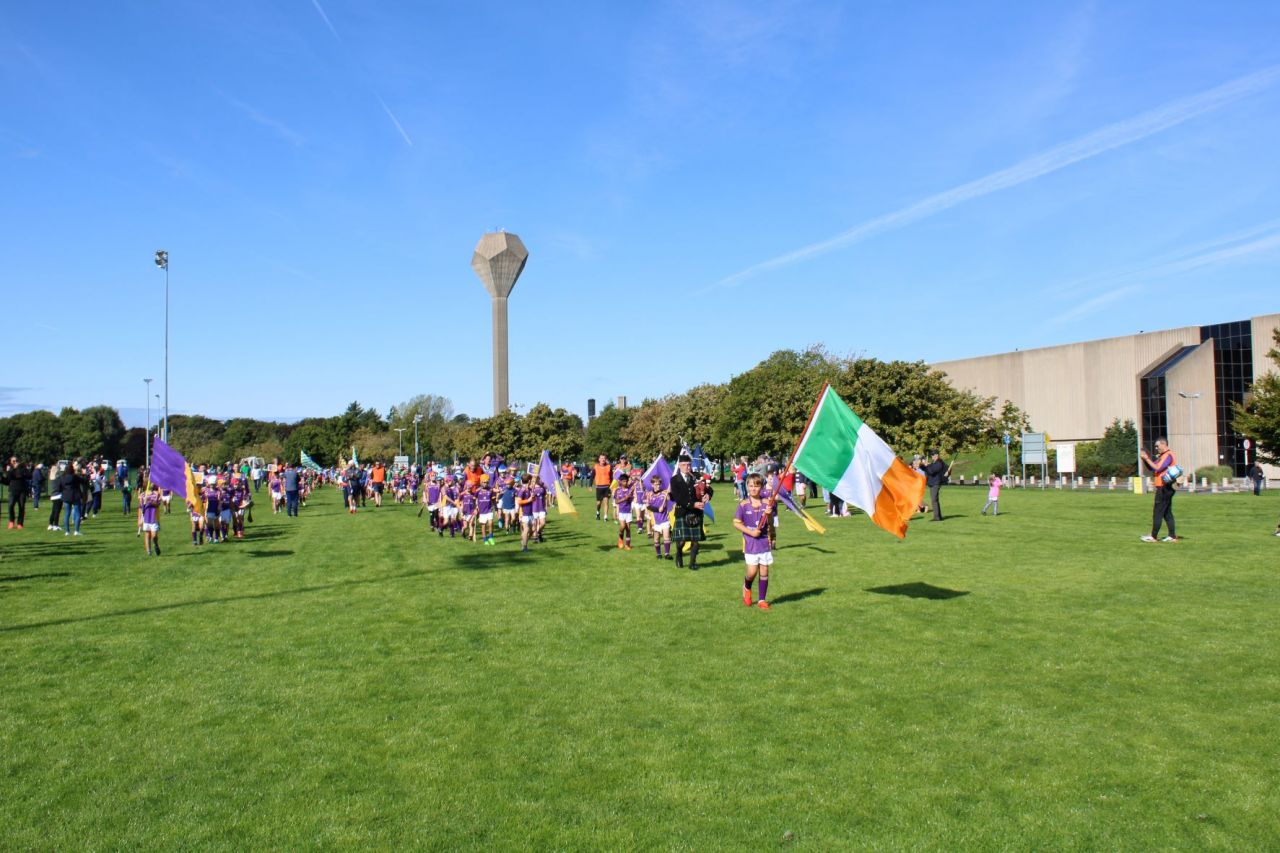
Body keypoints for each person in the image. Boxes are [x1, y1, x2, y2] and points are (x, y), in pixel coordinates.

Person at [734, 473, 774, 610]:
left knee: (764, 571)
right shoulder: (743, 505)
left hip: (764, 541)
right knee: (752, 572)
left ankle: (762, 600)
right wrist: (751, 532)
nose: (753, 489)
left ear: (761, 487)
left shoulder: (767, 503)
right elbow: (736, 523)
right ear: (747, 487)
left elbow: (770, 523)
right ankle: (747, 586)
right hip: (750, 543)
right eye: (750, 486)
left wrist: (768, 515)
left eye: (756, 486)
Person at [670, 454, 707, 570]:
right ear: (679, 466)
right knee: (681, 541)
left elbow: (709, 489)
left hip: (696, 513)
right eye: (684, 465)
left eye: (689, 465)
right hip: (683, 512)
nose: (687, 467)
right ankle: (679, 554)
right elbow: (678, 498)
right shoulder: (675, 479)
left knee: (695, 541)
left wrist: (707, 495)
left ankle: (692, 563)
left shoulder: (697, 477)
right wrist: (693, 504)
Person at [1141, 438, 1179, 542]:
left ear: (1163, 444)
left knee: (1157, 512)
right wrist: (1145, 459)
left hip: (1165, 487)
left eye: (1157, 446)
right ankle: (1172, 536)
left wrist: (1147, 459)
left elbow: (1158, 468)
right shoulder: (1163, 456)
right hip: (1164, 487)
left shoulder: (1168, 455)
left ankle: (1153, 537)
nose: (1156, 448)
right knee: (1167, 512)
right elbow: (1152, 468)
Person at [56, 461, 87, 536]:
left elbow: (59, 488)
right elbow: (84, 481)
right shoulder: (75, 477)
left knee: (67, 514)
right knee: (78, 513)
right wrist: (84, 474)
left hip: (66, 496)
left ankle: (67, 531)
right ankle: (76, 531)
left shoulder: (61, 477)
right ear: (72, 470)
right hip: (75, 496)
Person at [647, 475, 672, 559]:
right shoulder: (649, 494)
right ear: (652, 484)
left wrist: (669, 493)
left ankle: (667, 554)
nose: (657, 486)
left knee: (666, 537)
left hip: (665, 518)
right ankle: (658, 554)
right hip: (655, 520)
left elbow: (671, 499)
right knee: (656, 538)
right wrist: (658, 509)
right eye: (655, 484)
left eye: (659, 484)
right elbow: (648, 506)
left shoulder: (664, 493)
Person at [922, 450, 949, 522]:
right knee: (935, 500)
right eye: (931, 456)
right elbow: (928, 469)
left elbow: (931, 471)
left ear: (937, 455)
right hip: (932, 483)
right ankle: (938, 516)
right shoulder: (935, 463)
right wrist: (924, 466)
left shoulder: (939, 463)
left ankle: (937, 517)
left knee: (934, 500)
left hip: (935, 483)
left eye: (933, 455)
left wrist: (923, 466)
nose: (932, 457)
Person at [4, 456, 30, 530]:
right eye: (13, 461)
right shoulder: (10, 469)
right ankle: (11, 521)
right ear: (11, 462)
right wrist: (7, 472)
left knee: (21, 507)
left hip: (22, 490)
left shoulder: (23, 469)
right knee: (10, 505)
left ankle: (20, 523)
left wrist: (20, 468)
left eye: (16, 460)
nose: (15, 462)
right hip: (13, 490)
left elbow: (29, 476)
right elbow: (7, 481)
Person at [613, 472, 635, 550]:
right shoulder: (617, 490)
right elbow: (616, 502)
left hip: (628, 511)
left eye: (626, 481)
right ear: (620, 481)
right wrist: (624, 499)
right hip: (621, 511)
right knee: (622, 526)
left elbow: (631, 498)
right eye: (624, 481)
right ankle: (620, 538)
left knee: (628, 528)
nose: (625, 483)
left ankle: (627, 545)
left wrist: (630, 496)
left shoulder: (630, 490)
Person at [140, 484, 163, 556]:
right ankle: (149, 551)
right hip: (146, 518)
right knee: (147, 535)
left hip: (154, 518)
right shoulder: (142, 495)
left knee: (154, 535)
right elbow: (141, 507)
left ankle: (155, 544)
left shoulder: (156, 494)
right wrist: (140, 519)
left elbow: (158, 504)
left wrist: (150, 501)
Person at [592, 454, 612, 521]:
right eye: (601, 458)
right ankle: (598, 512)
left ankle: (605, 517)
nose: (603, 459)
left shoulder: (609, 466)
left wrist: (611, 486)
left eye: (604, 458)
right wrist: (589, 485)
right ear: (599, 459)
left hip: (607, 487)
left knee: (606, 502)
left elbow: (611, 477)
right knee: (599, 503)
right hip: (599, 487)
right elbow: (592, 476)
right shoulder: (596, 466)